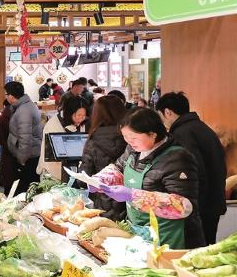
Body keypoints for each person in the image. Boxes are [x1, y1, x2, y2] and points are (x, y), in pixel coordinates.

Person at [91, 108, 205, 249]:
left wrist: (133, 196)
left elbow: (183, 206)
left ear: (153, 134)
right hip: (141, 233)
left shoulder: (178, 158)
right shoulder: (133, 150)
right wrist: (100, 180)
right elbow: (118, 169)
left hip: (171, 239)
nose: (129, 141)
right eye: (125, 137)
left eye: (133, 138)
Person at [157, 92, 226, 245]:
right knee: (207, 246)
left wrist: (193, 209)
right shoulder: (200, 127)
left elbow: (194, 172)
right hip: (212, 202)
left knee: (199, 250)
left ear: (167, 112)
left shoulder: (182, 133)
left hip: (202, 206)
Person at [80, 96, 127, 220]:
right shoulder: (131, 138)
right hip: (131, 203)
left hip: (104, 205)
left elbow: (84, 179)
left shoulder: (93, 140)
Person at [4, 81, 42, 194]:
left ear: (11, 96)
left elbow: (25, 139)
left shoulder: (24, 111)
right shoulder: (24, 106)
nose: (5, 97)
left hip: (28, 157)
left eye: (6, 94)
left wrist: (22, 160)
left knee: (26, 189)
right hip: (30, 154)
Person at [38, 95, 88, 178]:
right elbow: (50, 156)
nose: (81, 119)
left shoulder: (81, 123)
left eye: (84, 116)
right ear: (69, 113)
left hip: (72, 168)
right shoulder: (53, 125)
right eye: (78, 115)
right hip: (54, 170)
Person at [0, 100, 16, 194]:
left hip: (6, 151)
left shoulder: (1, 118)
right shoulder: (19, 117)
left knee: (7, 175)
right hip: (18, 150)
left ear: (4, 106)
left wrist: (5, 145)